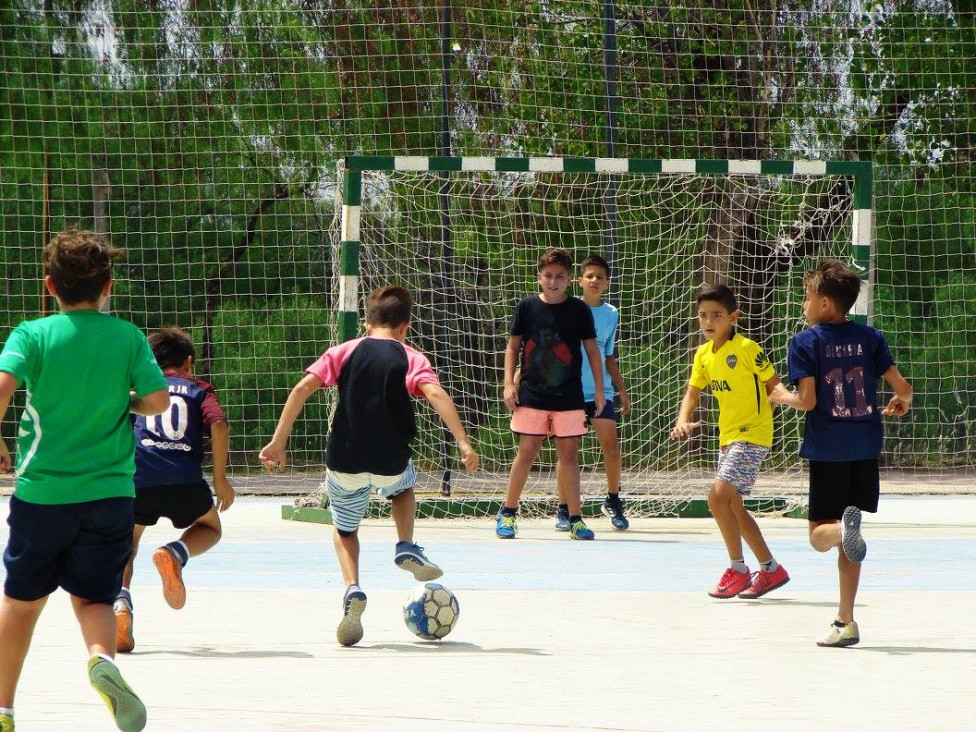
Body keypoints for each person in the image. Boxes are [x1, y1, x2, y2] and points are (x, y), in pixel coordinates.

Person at [0, 228, 169, 732]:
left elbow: (3, 386)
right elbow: (157, 402)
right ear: (108, 286)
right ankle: (102, 661)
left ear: (49, 285)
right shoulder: (128, 337)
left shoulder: (32, 335)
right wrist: (129, 402)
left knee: (21, 604)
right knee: (95, 597)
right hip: (112, 495)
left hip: (43, 494)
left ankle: (4, 710)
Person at [258, 285, 478, 647]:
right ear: (406, 326)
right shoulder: (411, 357)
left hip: (345, 459)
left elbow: (301, 389)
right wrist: (463, 442)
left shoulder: (344, 351)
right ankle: (405, 544)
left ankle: (353, 588)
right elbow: (436, 394)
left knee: (345, 530)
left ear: (366, 322)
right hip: (390, 459)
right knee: (404, 489)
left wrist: (279, 441)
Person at [770, 259, 912, 647]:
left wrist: (781, 395)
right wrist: (900, 402)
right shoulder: (871, 338)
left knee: (819, 534)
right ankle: (844, 620)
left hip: (829, 448)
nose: (804, 304)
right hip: (865, 447)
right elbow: (904, 388)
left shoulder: (805, 342)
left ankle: (839, 531)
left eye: (807, 297)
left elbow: (809, 399)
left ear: (826, 305)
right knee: (853, 538)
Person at [114, 327, 236, 654]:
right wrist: (220, 479)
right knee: (211, 528)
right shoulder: (199, 389)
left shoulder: (140, 391)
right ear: (189, 362)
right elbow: (219, 423)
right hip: (185, 481)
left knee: (127, 542)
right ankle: (175, 553)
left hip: (139, 481)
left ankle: (121, 606)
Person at [670, 284, 790, 600]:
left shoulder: (748, 349)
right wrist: (682, 420)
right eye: (703, 316)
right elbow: (692, 394)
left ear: (733, 317)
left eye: (717, 315)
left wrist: (773, 404)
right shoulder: (703, 355)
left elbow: (774, 386)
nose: (708, 321)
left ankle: (738, 570)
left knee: (716, 499)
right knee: (733, 505)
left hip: (752, 436)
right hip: (728, 438)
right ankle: (770, 568)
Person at [497, 248, 606, 541]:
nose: (553, 281)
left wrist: (598, 387)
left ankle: (575, 518)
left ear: (569, 279)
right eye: (548, 276)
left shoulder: (579, 310)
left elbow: (592, 349)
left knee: (569, 456)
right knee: (527, 452)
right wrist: (509, 383)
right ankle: (508, 512)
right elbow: (513, 347)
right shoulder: (527, 307)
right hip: (532, 393)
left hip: (568, 395)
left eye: (559, 276)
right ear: (539, 279)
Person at [553, 254, 631, 531]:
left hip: (601, 391)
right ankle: (563, 508)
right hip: (570, 391)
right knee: (567, 452)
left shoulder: (611, 314)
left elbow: (609, 356)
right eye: (590, 276)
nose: (595, 280)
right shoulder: (568, 309)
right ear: (579, 281)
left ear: (607, 283)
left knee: (611, 446)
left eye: (600, 276)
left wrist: (622, 390)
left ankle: (612, 499)